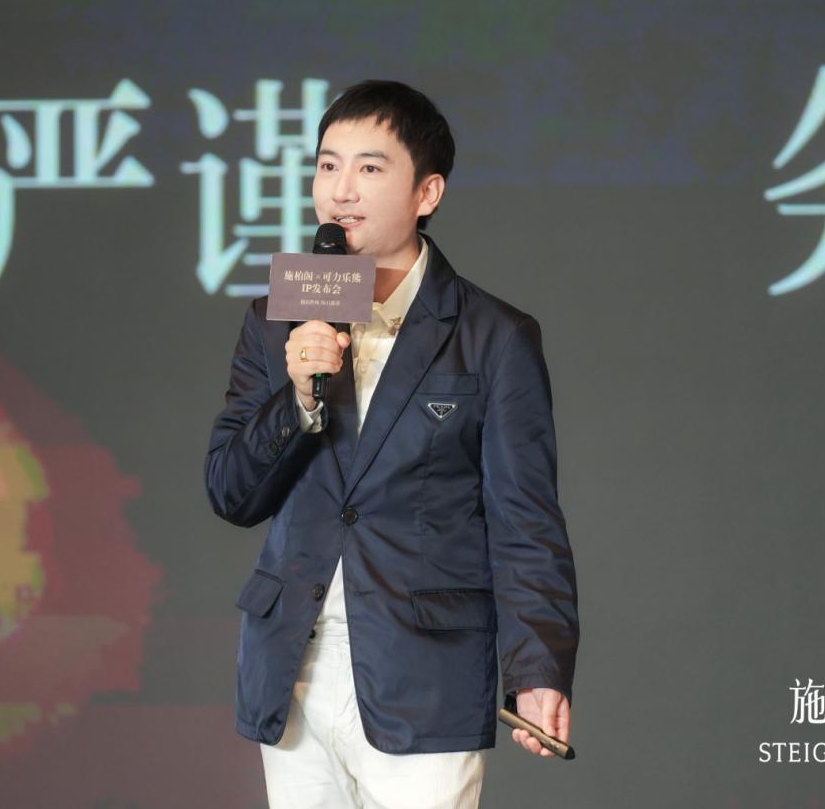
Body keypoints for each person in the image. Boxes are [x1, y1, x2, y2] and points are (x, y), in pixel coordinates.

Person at [205, 80, 579, 808]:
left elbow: (525, 518)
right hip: (292, 669)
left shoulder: (493, 336)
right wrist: (299, 398)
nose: (340, 189)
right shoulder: (277, 319)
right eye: (327, 165)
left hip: (425, 672)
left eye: (369, 168)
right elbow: (230, 491)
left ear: (426, 192)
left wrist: (536, 669)